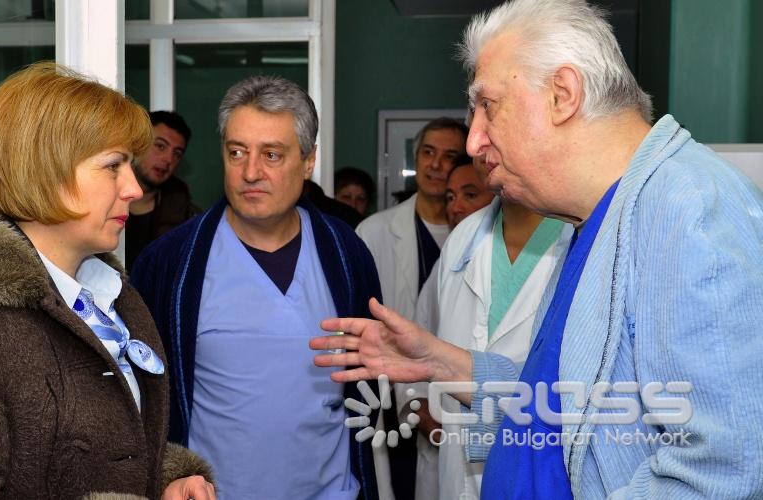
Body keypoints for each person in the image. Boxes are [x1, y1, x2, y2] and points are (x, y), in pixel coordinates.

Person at [311, 0, 763, 498]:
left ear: (562, 95)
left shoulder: (691, 211)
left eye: (488, 105)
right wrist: (440, 363)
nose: (474, 141)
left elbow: (723, 473)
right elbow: (561, 402)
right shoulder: (592, 220)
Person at [0, 62, 215, 500]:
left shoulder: (114, 297)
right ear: (46, 172)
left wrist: (169, 481)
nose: (133, 188)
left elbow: (108, 450)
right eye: (113, 166)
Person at [131, 75, 381, 499]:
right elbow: (142, 400)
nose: (250, 172)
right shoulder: (170, 265)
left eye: (271, 155)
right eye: (237, 152)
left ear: (308, 161)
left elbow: (371, 384)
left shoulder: (346, 255)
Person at [416, 152, 570, 500]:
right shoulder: (462, 239)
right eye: (472, 125)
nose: (475, 143)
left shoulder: (586, 240)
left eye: (493, 120)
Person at [355, 117, 468, 500]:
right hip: (391, 406)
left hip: (460, 400)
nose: (436, 165)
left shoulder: (474, 235)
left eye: (449, 156)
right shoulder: (374, 232)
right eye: (428, 153)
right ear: (416, 159)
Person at [125, 110, 200, 270]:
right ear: (137, 144)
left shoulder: (189, 221)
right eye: (160, 146)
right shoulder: (100, 203)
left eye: (177, 153)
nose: (168, 159)